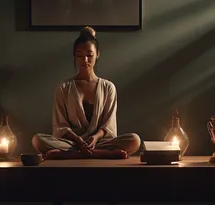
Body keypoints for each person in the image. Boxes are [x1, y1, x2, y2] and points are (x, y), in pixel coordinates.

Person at [32, 26, 141, 159]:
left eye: (89, 55)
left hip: (100, 142)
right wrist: (78, 140)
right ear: (74, 56)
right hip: (71, 142)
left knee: (134, 140)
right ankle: (100, 155)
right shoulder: (63, 88)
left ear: (97, 54)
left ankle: (74, 155)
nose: (85, 60)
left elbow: (108, 124)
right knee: (37, 140)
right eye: (80, 55)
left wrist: (94, 138)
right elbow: (60, 126)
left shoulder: (108, 87)